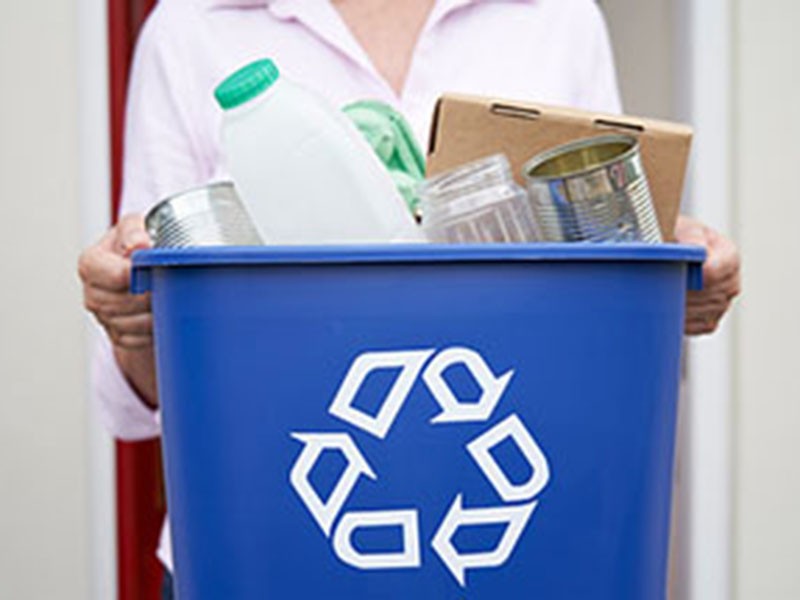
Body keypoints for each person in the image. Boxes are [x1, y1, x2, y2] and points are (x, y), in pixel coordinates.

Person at [78, 0, 741, 595]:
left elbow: (600, 293)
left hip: (538, 558)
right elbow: (142, 401)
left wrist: (660, 274)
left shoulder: (556, 18)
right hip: (269, 556)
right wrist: (130, 320)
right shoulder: (192, 27)